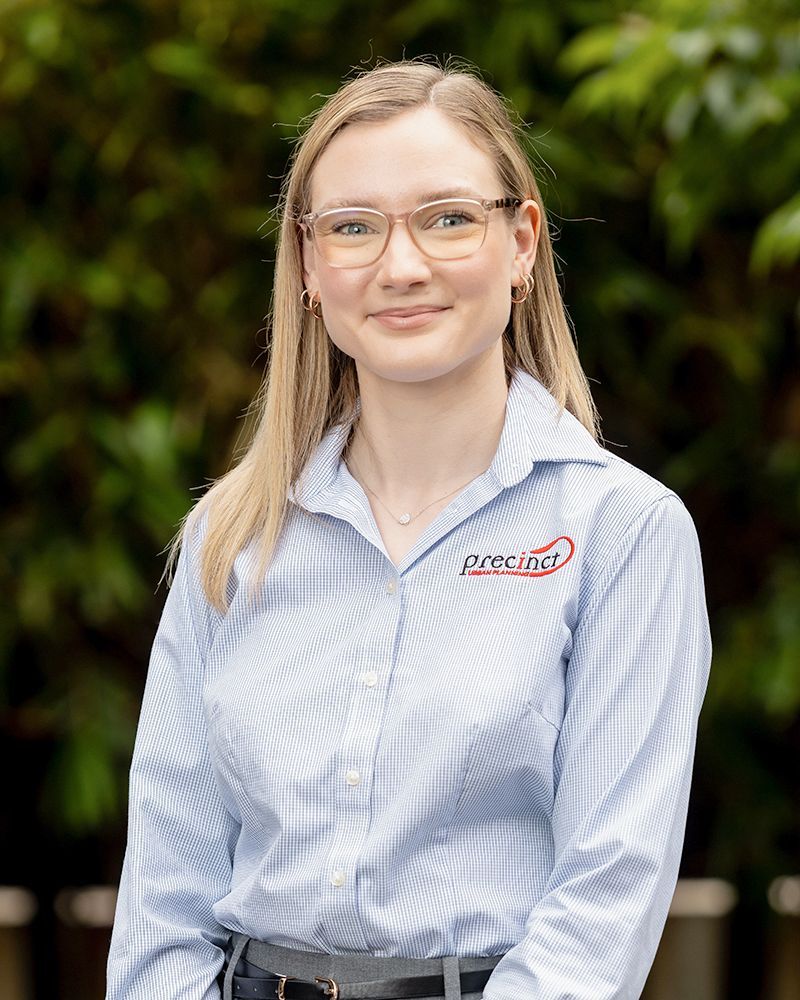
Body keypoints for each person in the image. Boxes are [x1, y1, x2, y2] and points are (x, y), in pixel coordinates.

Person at [106, 58, 712, 1000]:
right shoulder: (233, 537)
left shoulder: (623, 534)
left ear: (522, 244)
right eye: (353, 228)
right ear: (309, 265)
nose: (400, 266)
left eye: (447, 218)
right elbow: (164, 896)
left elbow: (604, 903)